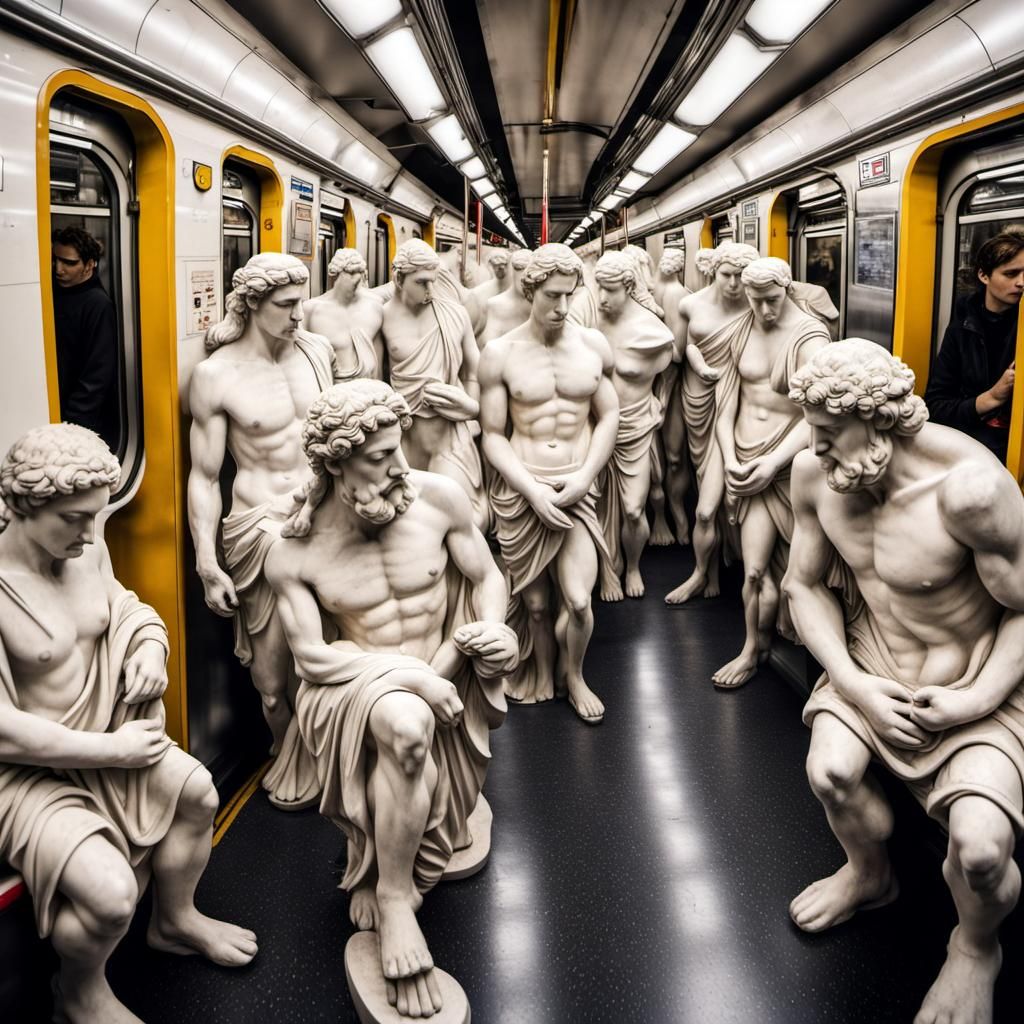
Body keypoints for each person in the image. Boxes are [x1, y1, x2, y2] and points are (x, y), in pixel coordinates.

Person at [785, 339, 1024, 1024]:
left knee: (980, 851)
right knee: (830, 771)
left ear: (876, 421)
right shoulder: (818, 476)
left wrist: (974, 700)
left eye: (827, 435)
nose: (813, 450)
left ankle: (976, 947)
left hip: (976, 687)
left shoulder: (969, 493)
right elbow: (804, 589)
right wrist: (855, 684)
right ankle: (870, 874)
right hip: (874, 668)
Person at [265, 380, 517, 1021]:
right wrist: (414, 682)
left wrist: (492, 627)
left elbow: (487, 578)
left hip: (447, 666)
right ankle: (397, 899)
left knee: (425, 760)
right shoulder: (294, 550)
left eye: (397, 446)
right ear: (334, 464)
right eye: (378, 457)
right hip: (352, 682)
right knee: (406, 729)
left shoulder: (439, 500)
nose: (400, 464)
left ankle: (398, 849)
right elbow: (315, 657)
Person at [0, 424, 257, 1024]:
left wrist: (149, 649)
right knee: (112, 898)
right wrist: (111, 750)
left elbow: (125, 607)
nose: (91, 534)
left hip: (110, 739)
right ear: (21, 507)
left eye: (96, 516)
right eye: (73, 518)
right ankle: (79, 993)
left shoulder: (86, 547)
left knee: (198, 792)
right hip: (29, 775)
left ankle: (175, 918)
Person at [188, 253, 337, 808]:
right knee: (274, 681)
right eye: (286, 305)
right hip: (260, 528)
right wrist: (207, 560)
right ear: (253, 304)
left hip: (324, 519)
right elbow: (203, 478)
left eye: (302, 301)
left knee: (329, 653)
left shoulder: (317, 352)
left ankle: (330, 756)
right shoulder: (216, 375)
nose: (300, 315)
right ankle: (287, 749)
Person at [480, 243, 619, 724]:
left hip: (576, 488)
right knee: (537, 605)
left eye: (568, 295)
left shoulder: (593, 346)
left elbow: (610, 416)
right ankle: (541, 671)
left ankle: (575, 674)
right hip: (524, 489)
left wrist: (585, 477)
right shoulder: (499, 354)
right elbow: (494, 436)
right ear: (530, 289)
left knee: (579, 600)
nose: (562, 308)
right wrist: (532, 491)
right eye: (551, 297)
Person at [710, 256, 830, 688]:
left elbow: (815, 417)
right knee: (754, 570)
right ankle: (751, 649)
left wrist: (772, 463)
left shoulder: (809, 339)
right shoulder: (743, 327)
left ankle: (818, 659)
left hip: (787, 470)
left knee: (802, 573)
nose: (763, 311)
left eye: (772, 300)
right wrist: (729, 459)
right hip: (744, 461)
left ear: (788, 289)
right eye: (755, 300)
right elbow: (726, 405)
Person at [665, 242, 759, 606]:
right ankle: (710, 571)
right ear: (713, 272)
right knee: (705, 482)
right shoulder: (692, 304)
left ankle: (733, 561)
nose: (734, 284)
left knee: (728, 497)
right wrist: (701, 366)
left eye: (740, 276)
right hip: (701, 398)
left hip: (741, 405)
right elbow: (683, 347)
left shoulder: (758, 304)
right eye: (726, 275)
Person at [381, 239, 487, 530]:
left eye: (434, 281)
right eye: (422, 282)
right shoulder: (381, 318)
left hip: (449, 436)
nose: (430, 290)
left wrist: (472, 406)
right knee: (407, 523)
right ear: (400, 278)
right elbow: (375, 379)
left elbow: (474, 372)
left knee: (469, 518)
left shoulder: (454, 314)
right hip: (404, 440)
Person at [594, 250, 675, 600]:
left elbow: (665, 378)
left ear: (627, 287)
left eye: (608, 290)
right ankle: (605, 567)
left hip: (634, 429)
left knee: (632, 508)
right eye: (598, 288)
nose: (601, 298)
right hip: (596, 427)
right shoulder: (590, 323)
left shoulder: (651, 332)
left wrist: (656, 407)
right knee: (595, 505)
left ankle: (633, 565)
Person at [924, 231, 1024, 463]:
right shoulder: (963, 326)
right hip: (973, 449)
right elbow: (935, 407)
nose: (1021, 282)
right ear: (984, 275)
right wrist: (991, 397)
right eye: (1010, 274)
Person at [52, 226, 119, 451]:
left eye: (69, 263)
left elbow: (98, 373)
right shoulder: (51, 292)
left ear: (90, 265)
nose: (58, 269)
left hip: (79, 422)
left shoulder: (97, 304)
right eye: (55, 260)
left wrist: (73, 423)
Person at [654, 247, 694, 547]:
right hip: (649, 380)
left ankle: (677, 514)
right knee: (661, 457)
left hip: (670, 381)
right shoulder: (650, 289)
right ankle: (663, 518)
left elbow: (677, 353)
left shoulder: (679, 295)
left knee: (674, 455)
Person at [302, 247, 383, 379]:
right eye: (350, 273)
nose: (356, 279)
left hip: (367, 389)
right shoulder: (311, 310)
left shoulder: (375, 306)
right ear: (334, 275)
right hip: (333, 389)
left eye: (360, 272)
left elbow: (378, 359)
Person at [479, 249, 532, 348]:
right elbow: (488, 344)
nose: (499, 269)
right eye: (496, 266)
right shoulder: (495, 303)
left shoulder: (536, 302)